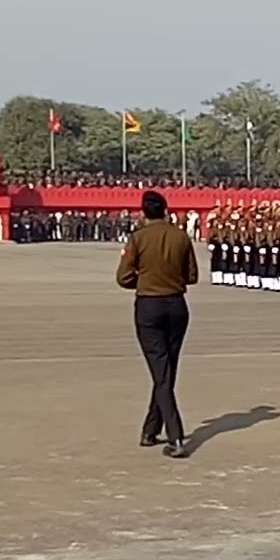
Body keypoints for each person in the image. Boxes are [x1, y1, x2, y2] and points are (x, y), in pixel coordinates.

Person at [115, 190, 199, 459]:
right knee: (166, 371)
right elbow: (192, 276)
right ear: (165, 209)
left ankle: (175, 437)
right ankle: (150, 430)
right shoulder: (181, 236)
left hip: (149, 307)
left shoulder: (138, 238)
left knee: (161, 373)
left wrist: (145, 279)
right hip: (176, 306)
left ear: (143, 212)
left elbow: (123, 277)